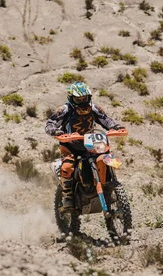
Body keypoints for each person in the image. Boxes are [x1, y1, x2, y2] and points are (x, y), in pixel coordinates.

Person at [45, 82, 124, 210]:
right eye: (78, 99)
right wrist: (55, 131)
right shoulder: (65, 110)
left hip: (91, 143)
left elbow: (105, 119)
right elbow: (50, 123)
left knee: (106, 158)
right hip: (70, 146)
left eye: (84, 98)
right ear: (71, 98)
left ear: (89, 97)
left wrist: (115, 126)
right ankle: (68, 198)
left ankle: (110, 185)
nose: (82, 101)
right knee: (68, 167)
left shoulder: (94, 108)